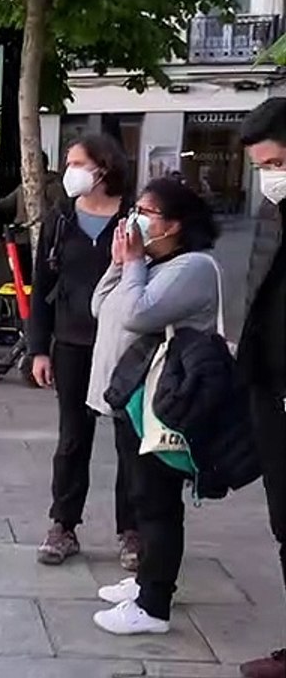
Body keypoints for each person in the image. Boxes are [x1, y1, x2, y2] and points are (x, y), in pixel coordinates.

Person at [80, 179, 222, 636]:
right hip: (134, 399)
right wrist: (121, 264)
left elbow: (138, 313)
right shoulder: (153, 263)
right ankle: (145, 580)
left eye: (147, 212)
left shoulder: (192, 267)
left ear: (175, 224)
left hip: (165, 402)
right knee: (142, 496)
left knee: (158, 502)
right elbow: (104, 306)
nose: (135, 219)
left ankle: (154, 604)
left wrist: (135, 263)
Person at [29, 134, 137, 569]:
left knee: (130, 439)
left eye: (77, 162)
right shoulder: (59, 220)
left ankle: (131, 530)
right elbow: (42, 288)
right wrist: (38, 349)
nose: (69, 170)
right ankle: (64, 525)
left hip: (127, 344)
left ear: (104, 168)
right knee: (73, 438)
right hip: (71, 343)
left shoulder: (134, 217)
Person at [235, 99, 286, 678]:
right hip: (269, 390)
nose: (268, 178)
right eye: (261, 167)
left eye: (275, 163)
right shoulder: (274, 214)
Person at [0, 152, 68, 280]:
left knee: (28, 278)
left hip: (39, 239)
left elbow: (60, 211)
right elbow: (5, 204)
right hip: (25, 239)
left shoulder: (53, 186)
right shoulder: (25, 186)